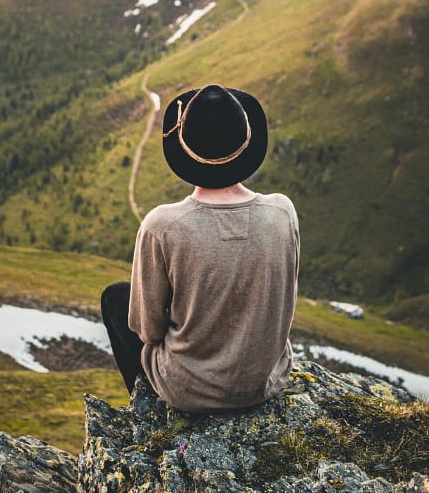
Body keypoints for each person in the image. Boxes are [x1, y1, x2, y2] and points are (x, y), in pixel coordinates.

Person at [101, 83, 300, 413]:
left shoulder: (162, 225)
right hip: (267, 382)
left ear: (184, 149)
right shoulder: (282, 211)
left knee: (114, 298)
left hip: (189, 392)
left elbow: (147, 330)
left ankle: (148, 410)